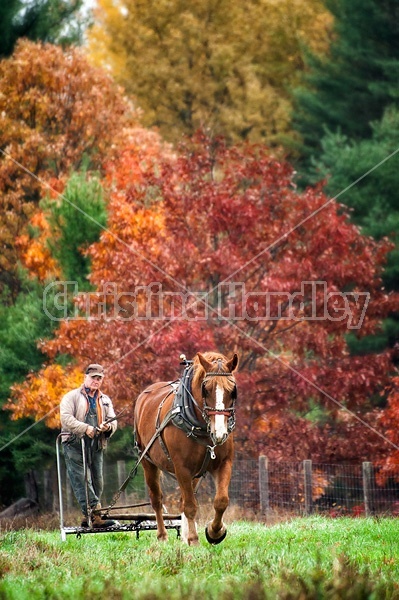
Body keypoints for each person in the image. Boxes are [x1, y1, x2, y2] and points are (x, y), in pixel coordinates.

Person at [60, 363, 117, 528]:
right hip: (74, 443)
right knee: (82, 480)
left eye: (99, 378)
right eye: (93, 378)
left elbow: (113, 420)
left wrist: (108, 427)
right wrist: (86, 428)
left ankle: (89, 516)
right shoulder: (71, 397)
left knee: (98, 481)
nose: (96, 381)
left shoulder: (105, 400)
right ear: (85, 377)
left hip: (97, 443)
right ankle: (95, 515)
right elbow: (66, 419)